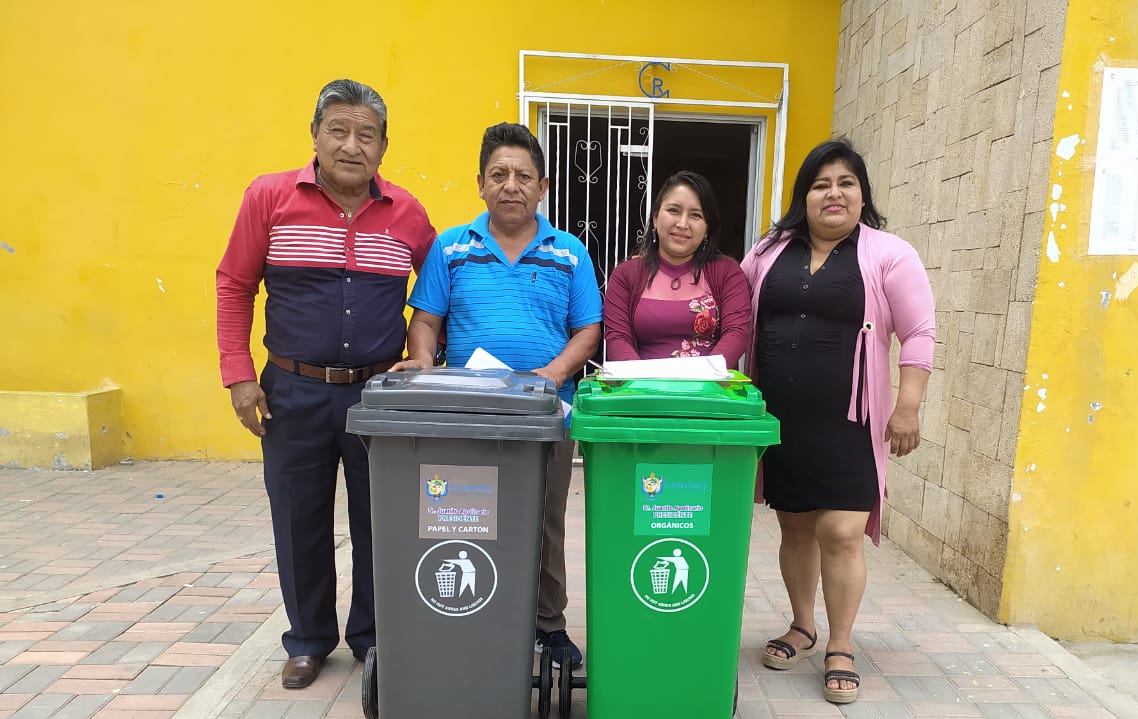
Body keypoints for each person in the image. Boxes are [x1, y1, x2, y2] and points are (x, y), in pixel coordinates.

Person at [215, 79, 436, 689]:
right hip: (291, 391)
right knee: (298, 519)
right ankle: (308, 640)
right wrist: (239, 377)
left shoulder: (408, 213)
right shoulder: (268, 197)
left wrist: (428, 360)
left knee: (381, 521)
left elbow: (439, 293)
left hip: (378, 396)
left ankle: (372, 637)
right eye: (338, 130)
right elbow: (234, 284)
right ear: (314, 135)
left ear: (384, 146)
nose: (351, 145)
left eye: (366, 135)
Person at [391, 122, 601, 668]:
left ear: (543, 186)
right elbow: (426, 319)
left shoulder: (569, 252)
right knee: (468, 517)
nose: (511, 185)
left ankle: (549, 626)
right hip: (469, 414)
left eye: (524, 176)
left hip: (545, 413)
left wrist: (552, 373)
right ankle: (472, 612)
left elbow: (588, 329)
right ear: (480, 183)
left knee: (545, 522)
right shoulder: (451, 247)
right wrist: (422, 360)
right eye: (499, 174)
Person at [740, 139, 935, 704]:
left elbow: (919, 332)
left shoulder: (889, 254)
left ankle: (841, 643)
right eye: (820, 183)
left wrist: (908, 405)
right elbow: (733, 309)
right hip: (781, 419)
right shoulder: (769, 251)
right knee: (796, 526)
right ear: (803, 196)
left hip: (852, 421)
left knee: (842, 531)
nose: (834, 193)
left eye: (846, 182)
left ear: (862, 194)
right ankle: (803, 626)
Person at [602, 171, 750, 364]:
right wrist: (641, 380)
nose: (682, 223)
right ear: (655, 218)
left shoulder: (727, 273)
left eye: (695, 215)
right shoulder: (625, 275)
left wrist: (704, 377)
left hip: (710, 382)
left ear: (707, 228)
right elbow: (617, 338)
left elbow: (737, 333)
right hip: (639, 382)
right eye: (673, 210)